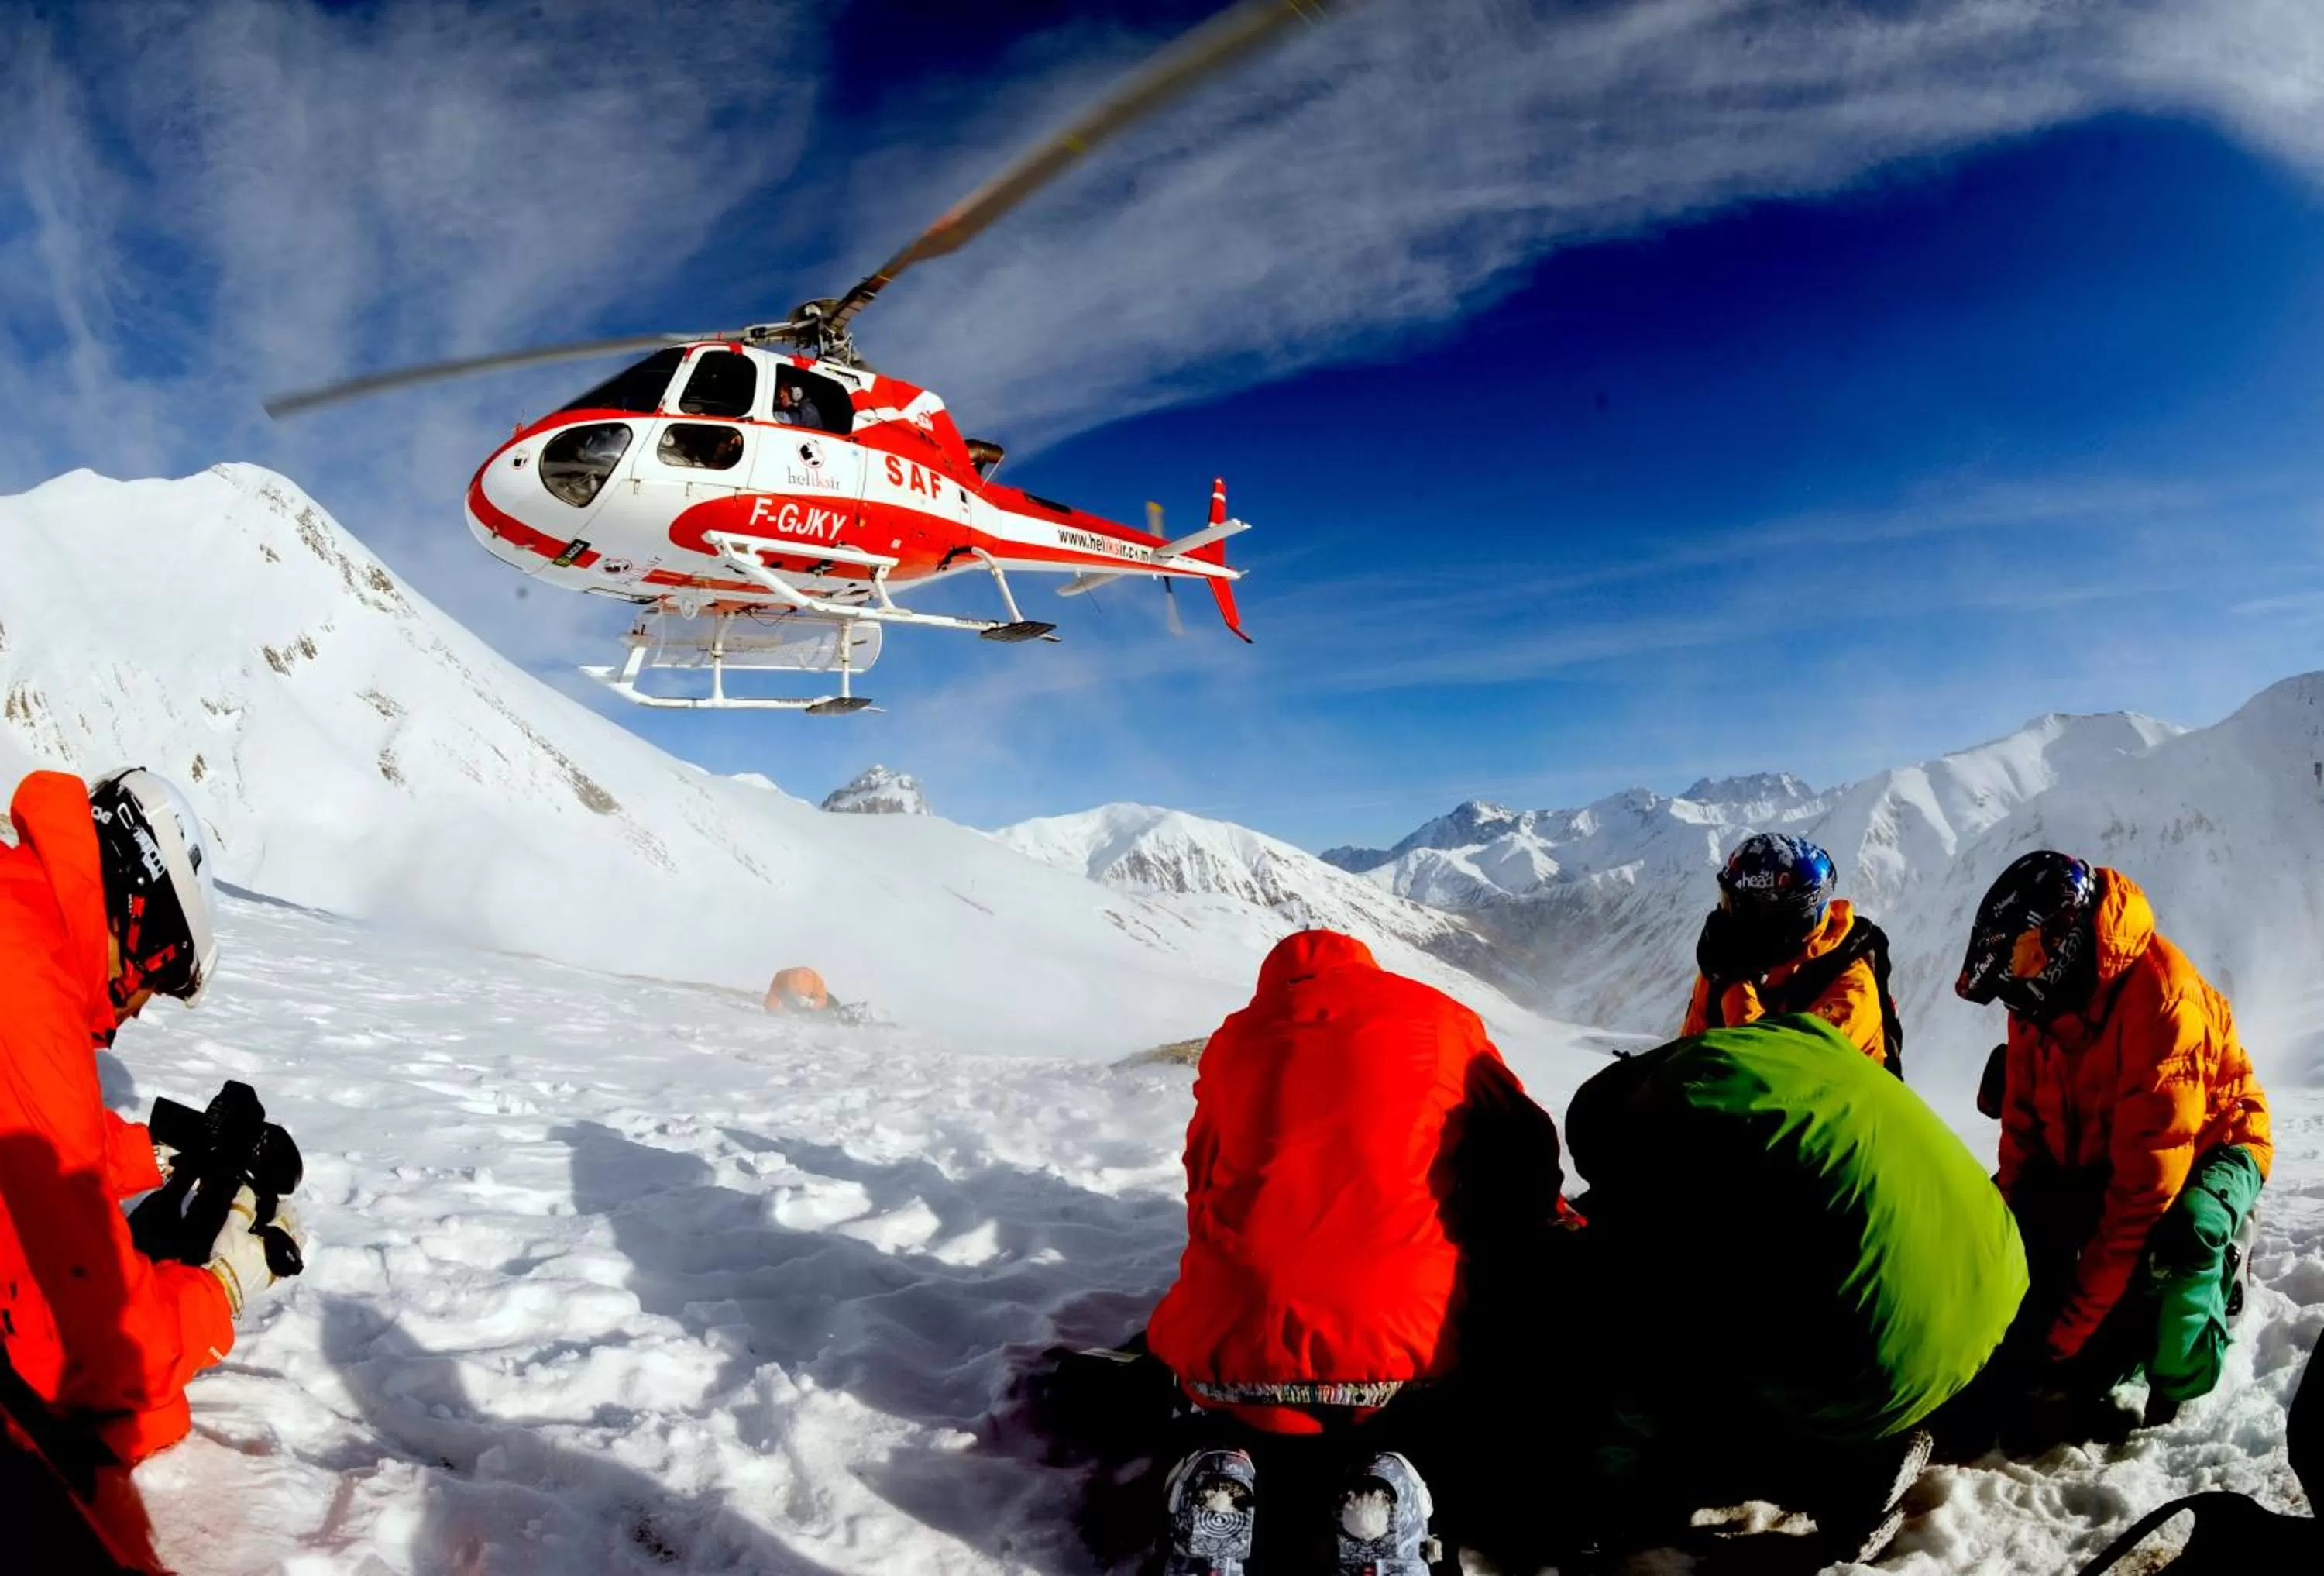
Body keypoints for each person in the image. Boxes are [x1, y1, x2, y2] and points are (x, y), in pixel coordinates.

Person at [1143, 929, 1567, 1576]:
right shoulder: (1443, 1019)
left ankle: (1219, 1477)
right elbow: (1524, 1148)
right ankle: (1385, 1489)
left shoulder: (1235, 1036)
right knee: (1424, 1405)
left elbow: (1202, 1182)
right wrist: (1545, 1223)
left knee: (1232, 1405)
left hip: (1230, 1348)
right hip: (1401, 1348)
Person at [1561, 1013, 2027, 1563]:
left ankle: (1846, 1479)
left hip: (1887, 1353)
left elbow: (1646, 1351)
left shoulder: (1670, 1143)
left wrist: (1601, 1490)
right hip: (1994, 1281)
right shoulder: (1783, 1044)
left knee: (1697, 1370)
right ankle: (1876, 1425)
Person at [0, 769, 306, 1485]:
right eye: (159, 980)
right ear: (141, 927)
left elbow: (35, 1144)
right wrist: (221, 1288)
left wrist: (157, 1153)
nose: (137, 1010)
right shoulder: (29, 996)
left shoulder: (18, 918)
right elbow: (103, 1357)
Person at [1957, 851, 2271, 1433]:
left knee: (2186, 1239)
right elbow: (2022, 1134)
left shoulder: (2163, 1003)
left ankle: (2185, 1372)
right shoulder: (2038, 1004)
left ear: (2064, 939)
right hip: (2109, 1145)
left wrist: (2064, 1336)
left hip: (2213, 1141)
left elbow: (2138, 1199)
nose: (2015, 977)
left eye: (2024, 957)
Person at [1684, 831, 1903, 1074]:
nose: (1725, 920)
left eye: (1736, 907)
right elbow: (1684, 1058)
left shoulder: (1851, 988)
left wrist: (1734, 986)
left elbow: (1778, 1075)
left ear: (1781, 920)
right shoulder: (1733, 961)